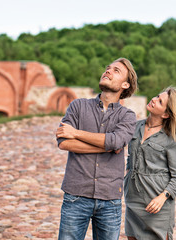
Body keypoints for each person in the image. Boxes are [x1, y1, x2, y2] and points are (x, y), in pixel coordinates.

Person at [55, 58, 138, 240]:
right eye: (108, 68)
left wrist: (76, 133)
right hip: (76, 195)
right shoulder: (78, 106)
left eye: (116, 70)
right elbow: (63, 142)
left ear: (125, 84)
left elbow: (117, 141)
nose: (107, 71)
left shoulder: (128, 116)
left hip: (110, 200)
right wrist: (107, 146)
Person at [124, 86, 176, 240]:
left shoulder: (171, 138)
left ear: (166, 114)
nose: (153, 99)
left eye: (160, 101)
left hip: (157, 205)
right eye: (157, 96)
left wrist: (162, 198)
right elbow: (131, 158)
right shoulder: (134, 126)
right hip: (133, 200)